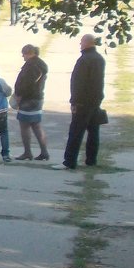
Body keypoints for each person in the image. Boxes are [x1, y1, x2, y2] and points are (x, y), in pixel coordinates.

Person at [55, 33, 106, 170]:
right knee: (93, 132)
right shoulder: (99, 59)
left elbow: (78, 83)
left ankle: (69, 161)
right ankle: (91, 160)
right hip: (95, 100)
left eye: (82, 42)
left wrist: (74, 101)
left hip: (83, 102)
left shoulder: (84, 60)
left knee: (76, 132)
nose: (80, 45)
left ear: (87, 43)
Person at [13, 44, 50, 161]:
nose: (23, 57)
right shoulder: (41, 64)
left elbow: (28, 83)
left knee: (24, 126)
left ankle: (27, 152)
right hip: (38, 98)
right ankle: (44, 152)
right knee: (36, 125)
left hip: (28, 99)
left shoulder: (32, 65)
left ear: (29, 53)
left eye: (23, 54)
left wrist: (19, 95)